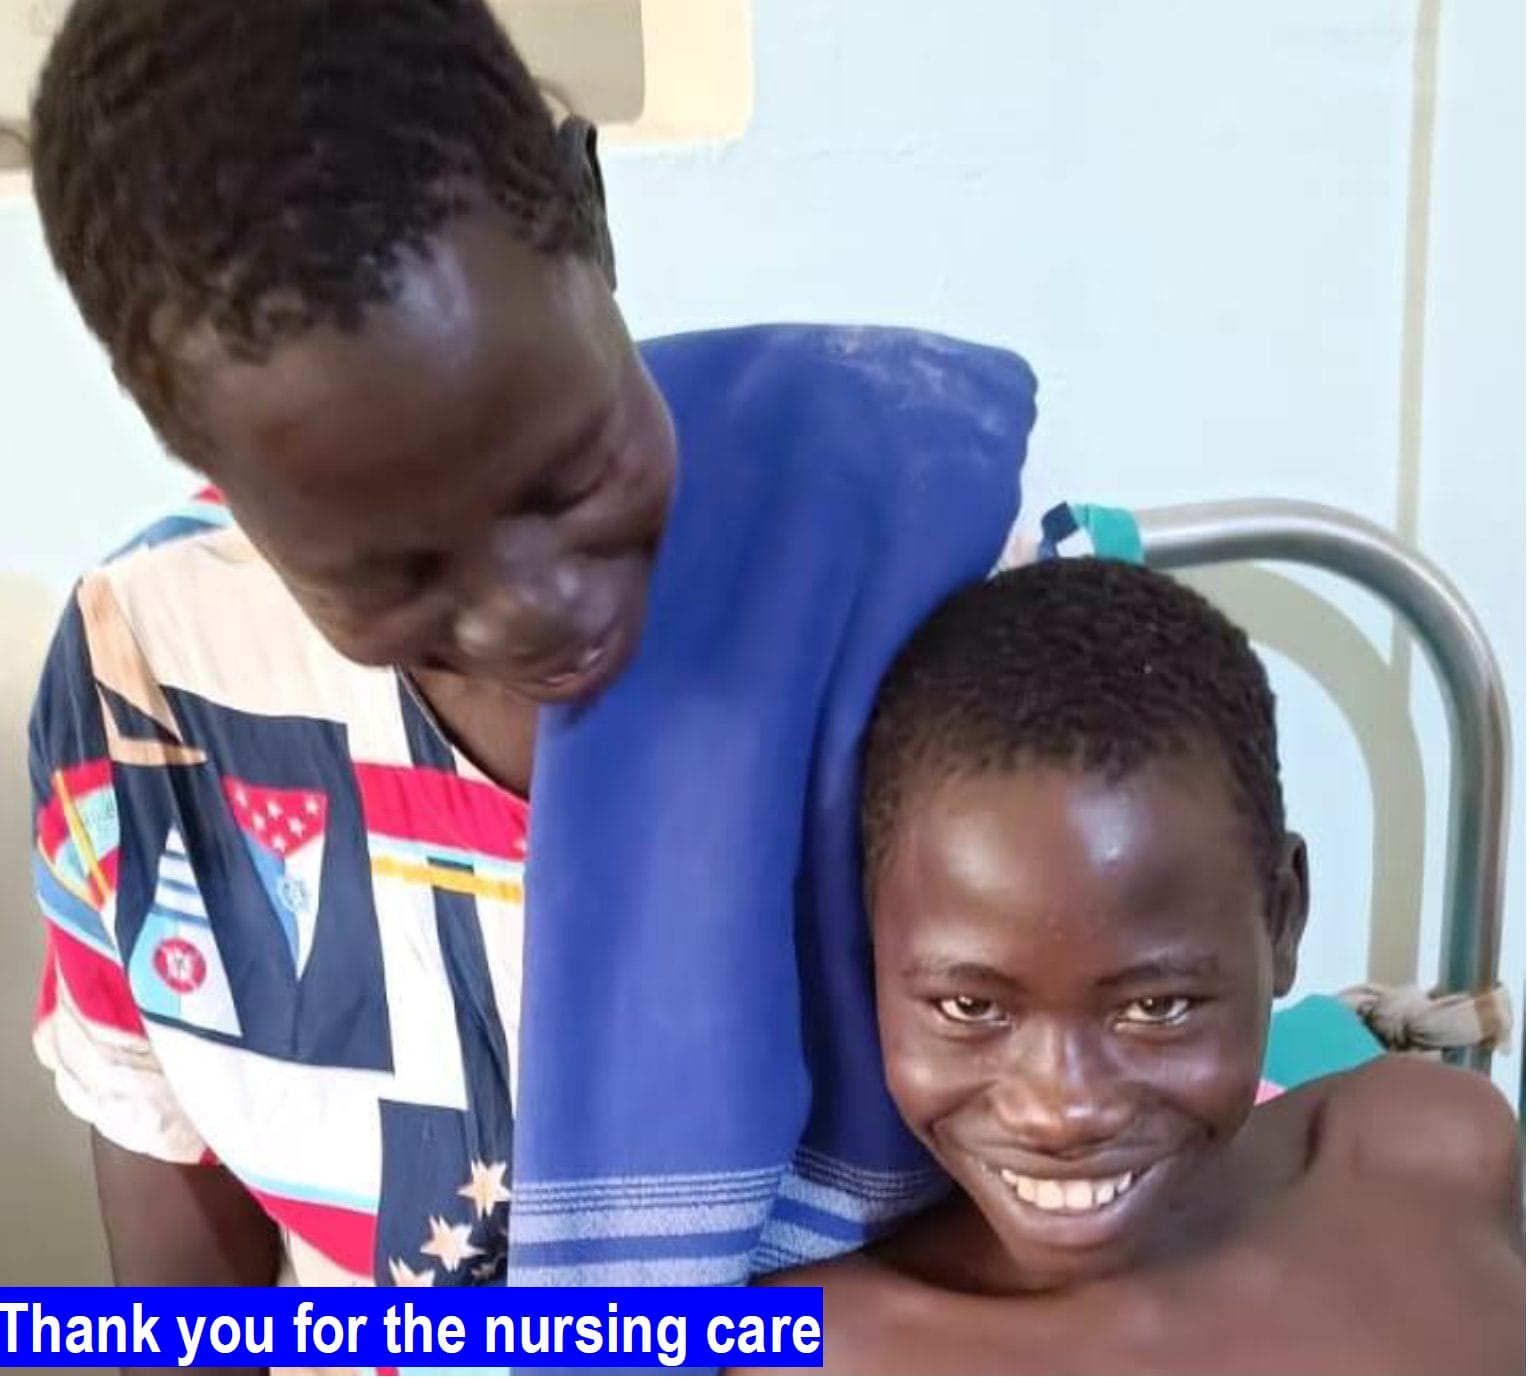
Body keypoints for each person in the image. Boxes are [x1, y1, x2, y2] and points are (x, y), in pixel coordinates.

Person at [26, 0, 1044, 1297]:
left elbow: (1092, 1165)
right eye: (390, 569)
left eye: (566, 479)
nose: (530, 610)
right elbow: (167, 1233)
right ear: (204, 454)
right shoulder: (146, 677)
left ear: (589, 217)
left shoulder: (921, 574)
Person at [750, 558, 1524, 1375]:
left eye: (1157, 1007)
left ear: (1283, 917)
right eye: (972, 1008)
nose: (1062, 1110)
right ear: (874, 946)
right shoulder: (775, 1334)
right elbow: (605, 1321)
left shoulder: (1438, 1149)